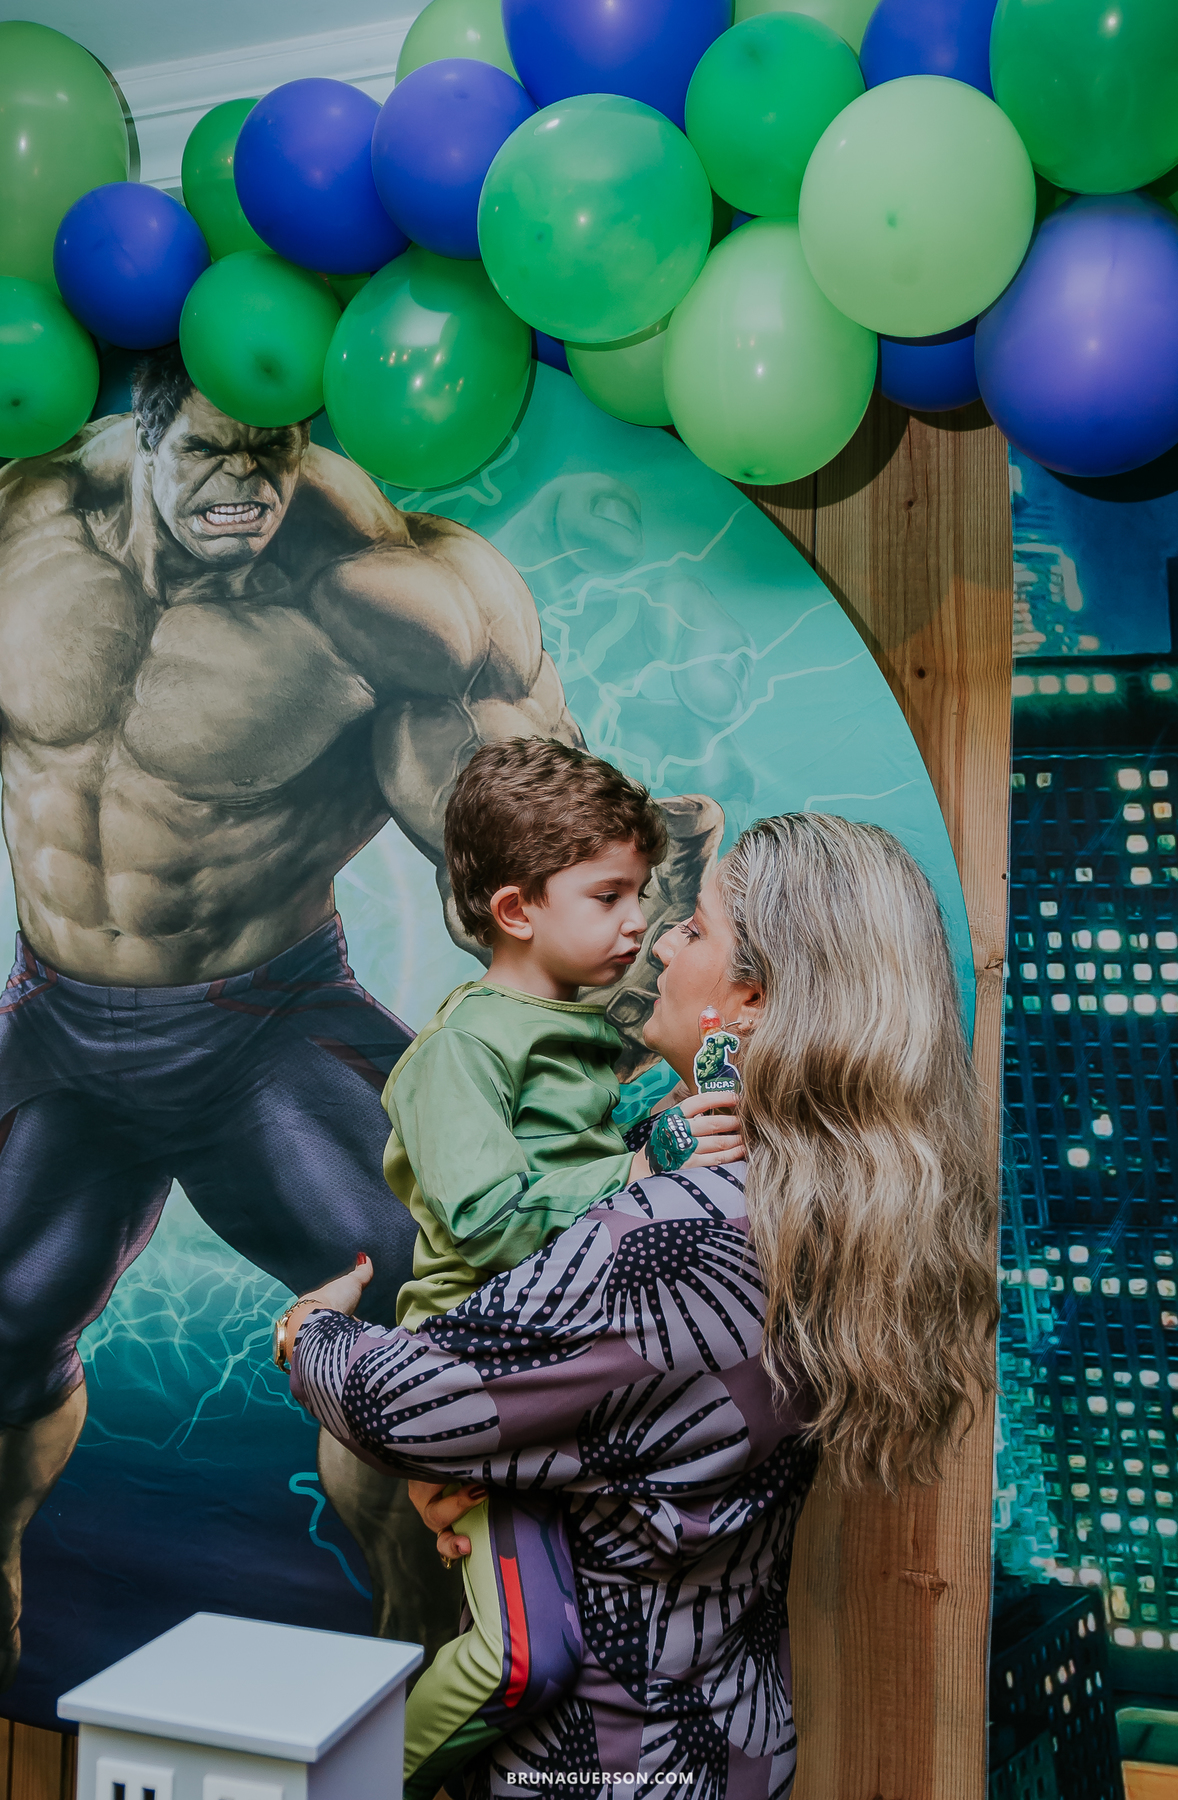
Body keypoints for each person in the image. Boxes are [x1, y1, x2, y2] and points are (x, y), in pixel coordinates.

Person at [0, 343, 722, 1685]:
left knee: (438, 1342)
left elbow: (538, 864)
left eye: (272, 453)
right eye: (211, 452)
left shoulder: (386, 599)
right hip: (58, 1021)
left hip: (262, 1026)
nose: (247, 487)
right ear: (136, 428)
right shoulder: (24, 526)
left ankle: (432, 1686)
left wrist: (646, 1029)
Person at [279, 812, 999, 1797]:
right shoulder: (831, 1207)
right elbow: (643, 1432)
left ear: (751, 999)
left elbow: (406, 1403)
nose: (661, 940)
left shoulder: (688, 1233)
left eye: (694, 930)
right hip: (732, 1741)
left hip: (604, 1768)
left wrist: (308, 1328)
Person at [352, 738, 742, 1796]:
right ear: (519, 910)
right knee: (522, 1653)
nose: (638, 925)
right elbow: (484, 1221)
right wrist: (642, 1165)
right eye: (610, 896)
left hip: (555, 1361)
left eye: (643, 897)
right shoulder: (463, 1052)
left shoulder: (574, 1031)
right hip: (480, 1362)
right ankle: (358, 1780)